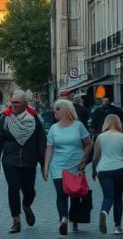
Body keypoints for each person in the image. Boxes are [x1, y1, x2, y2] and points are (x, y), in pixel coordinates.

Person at [0, 90, 47, 234]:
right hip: (10, 160)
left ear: (25, 104)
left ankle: (27, 205)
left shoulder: (34, 119)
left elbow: (41, 141)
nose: (14, 105)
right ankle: (16, 220)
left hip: (29, 160)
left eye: (17, 103)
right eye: (13, 102)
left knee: (29, 190)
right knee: (13, 188)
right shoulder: (5, 118)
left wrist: (43, 163)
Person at [45, 98, 93, 236]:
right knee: (61, 193)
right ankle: (63, 220)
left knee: (74, 194)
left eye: (58, 109)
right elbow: (49, 148)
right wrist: (46, 166)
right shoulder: (54, 128)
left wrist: (84, 158)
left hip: (76, 166)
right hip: (58, 166)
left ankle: (75, 219)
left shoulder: (78, 126)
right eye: (54, 109)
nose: (55, 112)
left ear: (66, 110)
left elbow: (89, 144)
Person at [92, 114, 123, 235]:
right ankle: (117, 227)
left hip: (104, 170)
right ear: (118, 123)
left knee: (108, 196)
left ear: (106, 123)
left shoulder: (100, 137)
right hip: (120, 170)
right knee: (118, 198)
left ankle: (104, 211)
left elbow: (96, 157)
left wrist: (93, 170)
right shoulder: (122, 137)